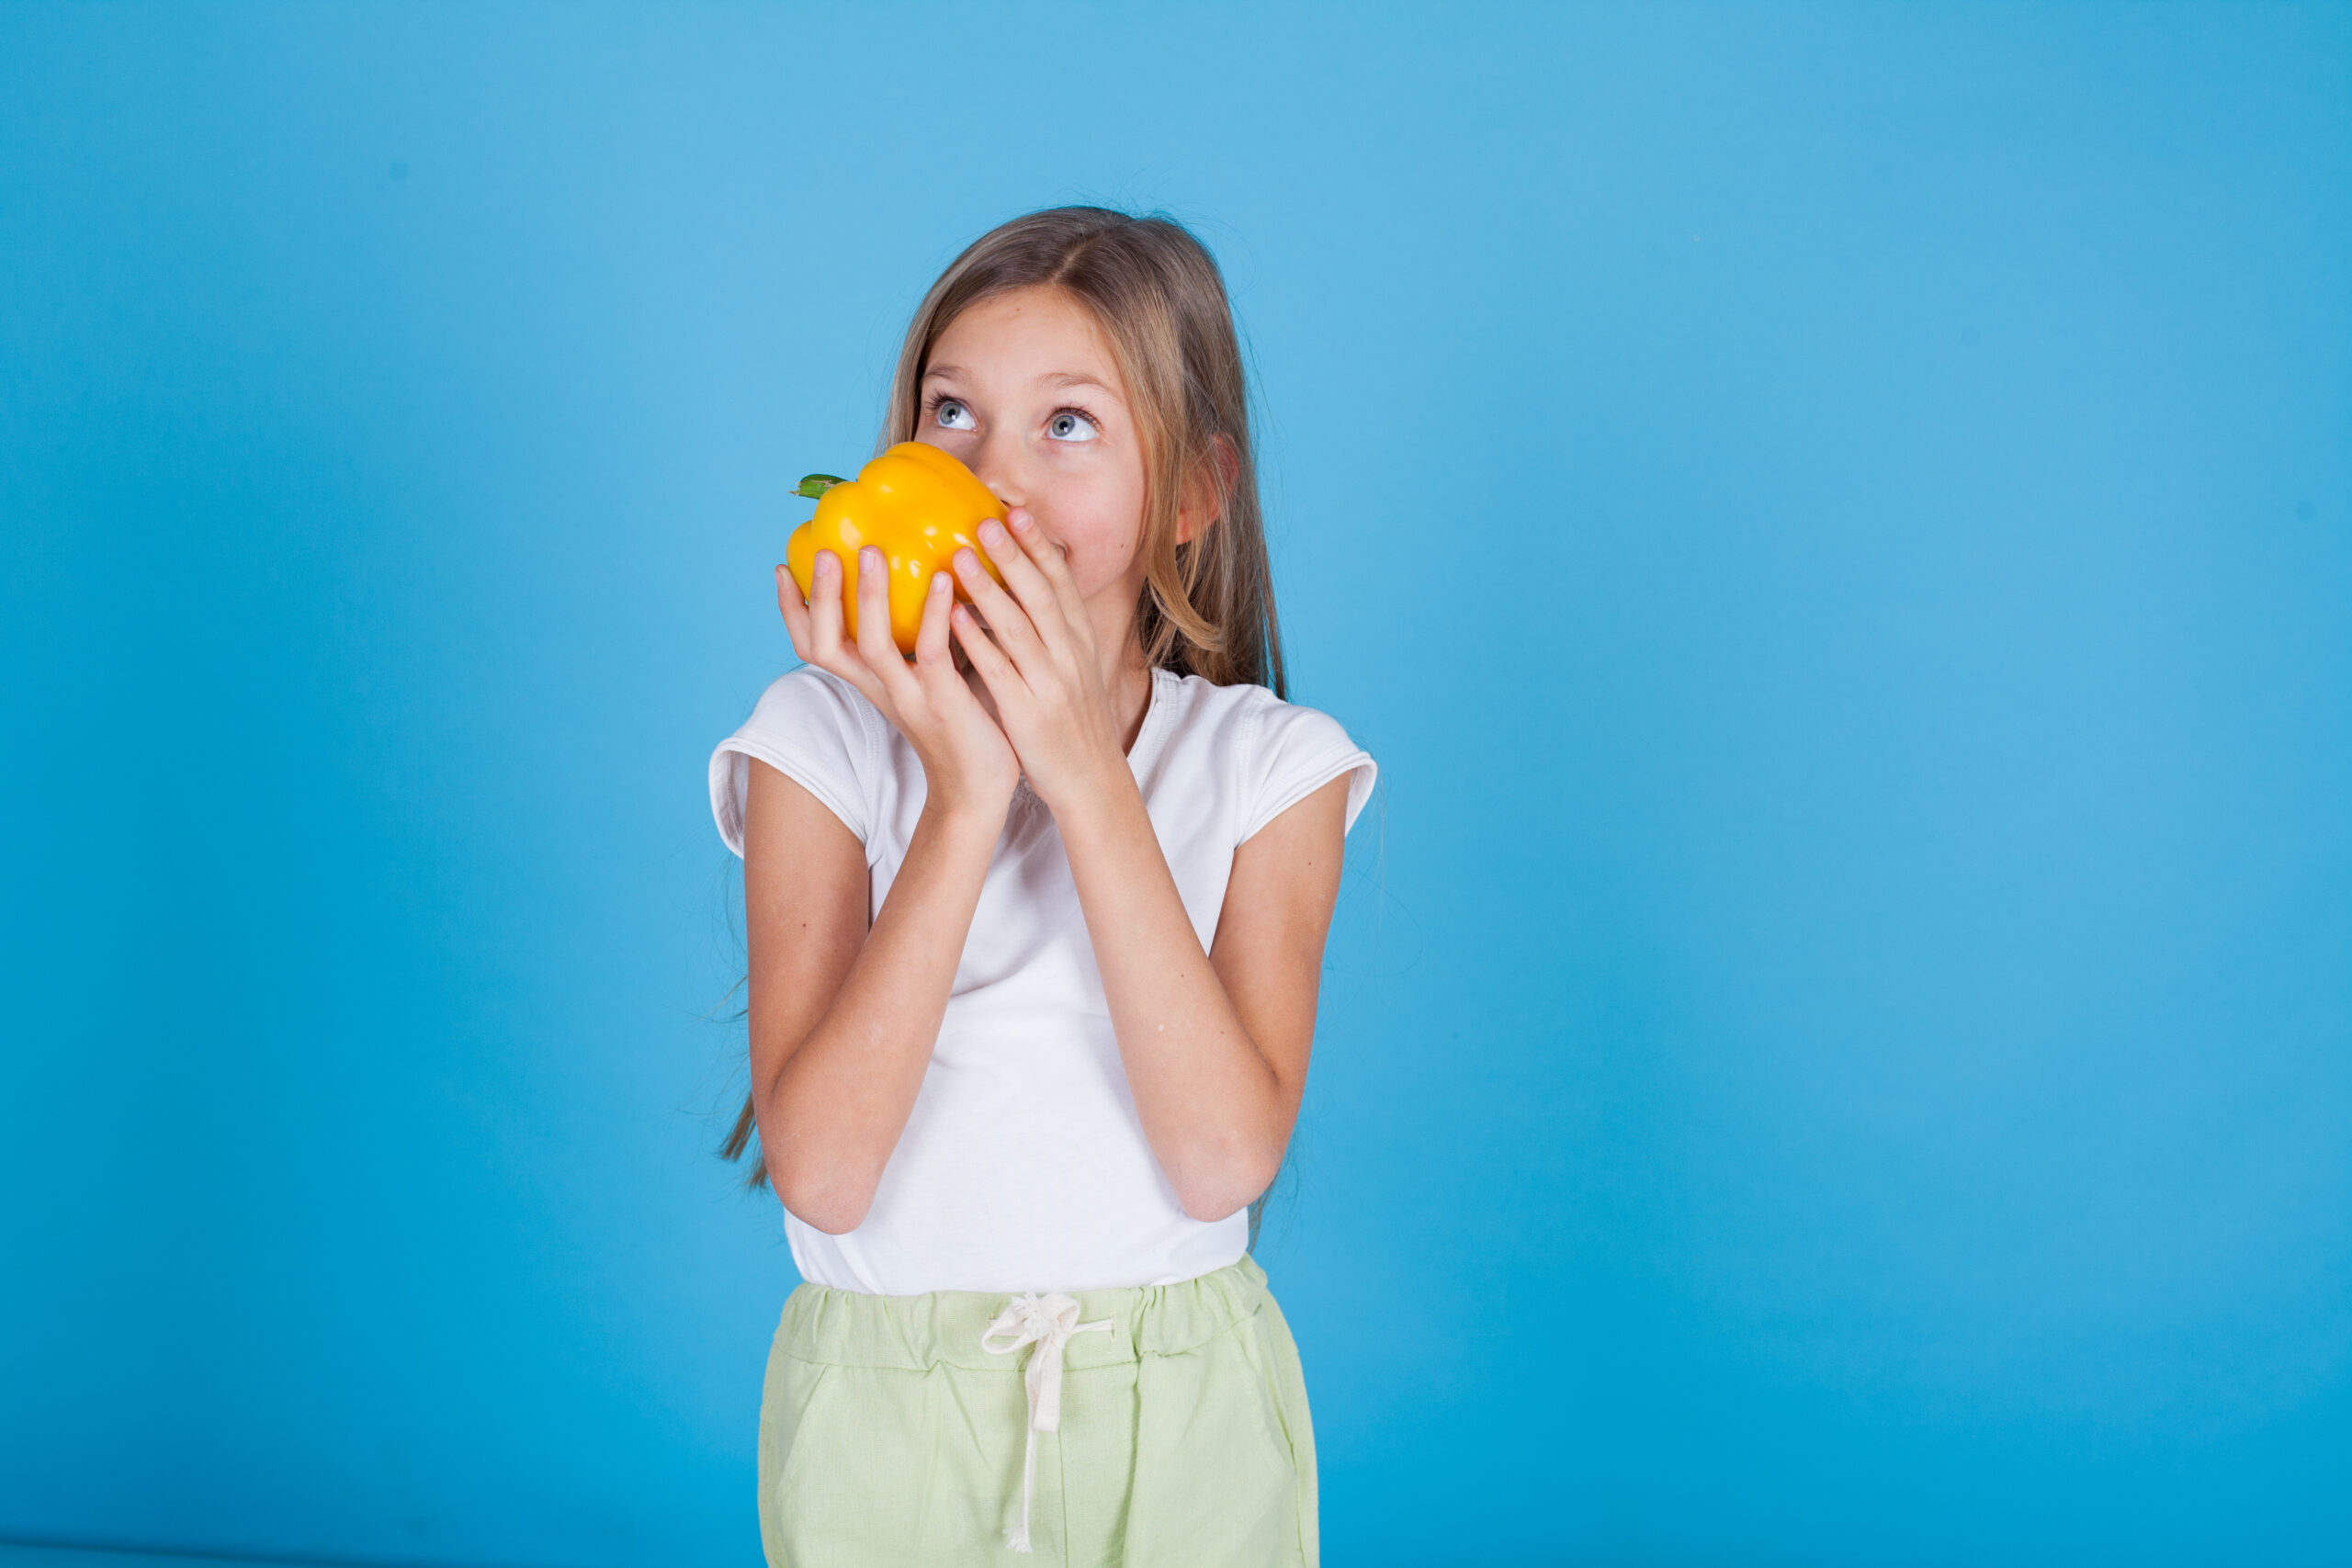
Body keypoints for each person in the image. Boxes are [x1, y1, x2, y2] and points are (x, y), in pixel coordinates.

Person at [705, 206, 1377, 1568]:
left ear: (1191, 495)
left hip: (1183, 1419)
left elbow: (1220, 1162)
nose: (993, 477)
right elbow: (824, 1179)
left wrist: (1082, 776)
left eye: (1067, 424)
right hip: (886, 1421)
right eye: (951, 414)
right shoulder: (818, 741)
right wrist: (963, 799)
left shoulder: (1273, 771)